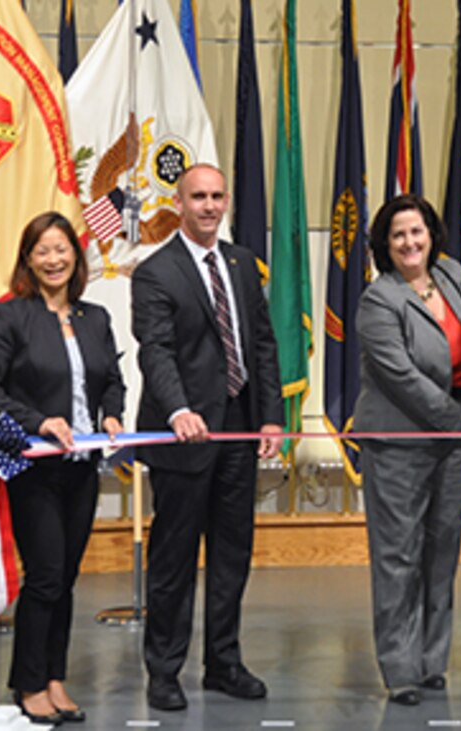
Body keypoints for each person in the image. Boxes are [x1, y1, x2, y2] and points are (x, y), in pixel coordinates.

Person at [131, 164, 283, 712]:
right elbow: (156, 350)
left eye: (219, 195)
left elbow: (262, 343)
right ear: (180, 201)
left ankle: (224, 663)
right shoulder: (155, 271)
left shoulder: (242, 264)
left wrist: (270, 416)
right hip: (184, 437)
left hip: (240, 430)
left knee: (231, 555)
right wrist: (176, 410)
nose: (210, 206)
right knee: (173, 559)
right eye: (199, 196)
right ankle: (164, 671)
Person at [0, 212, 125, 725]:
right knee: (45, 575)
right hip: (34, 467)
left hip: (83, 466)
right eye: (43, 251)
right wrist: (40, 422)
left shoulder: (96, 317)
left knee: (68, 577)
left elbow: (112, 381)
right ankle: (29, 683)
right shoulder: (9, 318)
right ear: (28, 260)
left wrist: (111, 413)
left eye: (62, 249)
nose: (54, 259)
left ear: (75, 257)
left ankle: (55, 677)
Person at [354, 194, 461, 706]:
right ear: (384, 245)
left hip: (453, 438)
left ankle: (434, 661)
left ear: (432, 234)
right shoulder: (378, 300)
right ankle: (401, 669)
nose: (410, 243)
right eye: (398, 236)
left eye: (417, 232)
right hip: (398, 440)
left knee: (442, 551)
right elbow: (404, 381)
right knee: (398, 557)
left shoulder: (453, 275)